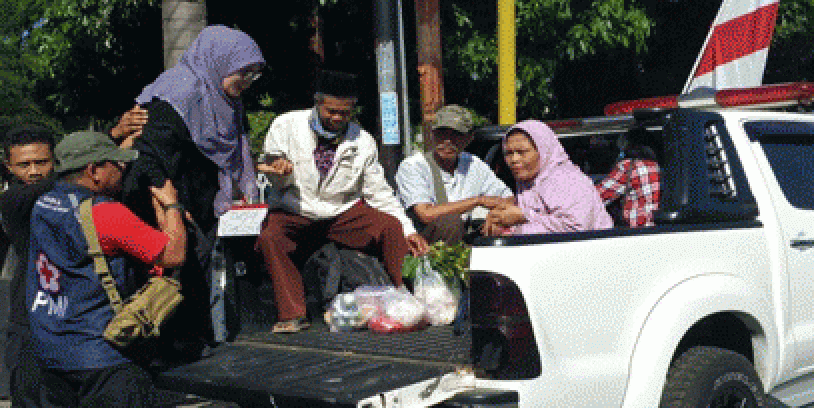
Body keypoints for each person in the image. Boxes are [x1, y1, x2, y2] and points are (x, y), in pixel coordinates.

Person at [28, 131, 186, 408]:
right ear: (94, 171)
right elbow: (171, 253)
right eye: (115, 164)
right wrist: (171, 206)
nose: (123, 170)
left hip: (52, 347)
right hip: (105, 355)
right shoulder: (105, 214)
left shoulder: (44, 203)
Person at [256, 70, 429, 332]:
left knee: (390, 227)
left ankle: (402, 302)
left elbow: (379, 193)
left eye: (344, 113)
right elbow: (271, 169)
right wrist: (280, 173)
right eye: (331, 111)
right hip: (295, 208)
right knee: (271, 237)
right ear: (317, 103)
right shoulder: (285, 125)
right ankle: (292, 314)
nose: (337, 118)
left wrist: (409, 229)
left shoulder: (363, 141)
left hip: (341, 214)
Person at [130, 25, 265, 349]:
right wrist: (171, 208)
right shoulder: (178, 94)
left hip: (200, 204)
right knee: (181, 279)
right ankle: (175, 358)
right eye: (243, 72)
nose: (247, 82)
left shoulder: (226, 102)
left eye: (254, 75)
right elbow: (150, 158)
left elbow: (230, 152)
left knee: (202, 278)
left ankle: (197, 351)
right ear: (218, 61)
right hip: (169, 203)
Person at [0, 126, 58, 408]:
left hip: (64, 322)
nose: (35, 172)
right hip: (29, 325)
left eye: (43, 162)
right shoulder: (15, 200)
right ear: (9, 167)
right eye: (25, 164)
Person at [395, 104, 512, 243]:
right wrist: (477, 201)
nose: (447, 141)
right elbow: (425, 214)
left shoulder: (474, 164)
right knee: (450, 222)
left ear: (469, 138)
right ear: (432, 134)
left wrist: (496, 217)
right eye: (442, 133)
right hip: (420, 240)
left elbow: (508, 199)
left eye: (456, 135)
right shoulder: (413, 166)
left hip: (462, 236)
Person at [484, 120, 613, 236]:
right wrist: (503, 225)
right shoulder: (529, 182)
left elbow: (577, 229)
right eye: (509, 153)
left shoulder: (566, 180)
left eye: (522, 152)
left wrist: (523, 217)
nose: (514, 159)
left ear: (542, 151)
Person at [596, 137, 661, 227]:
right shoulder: (663, 166)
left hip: (638, 229)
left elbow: (601, 196)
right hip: (663, 227)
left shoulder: (629, 166)